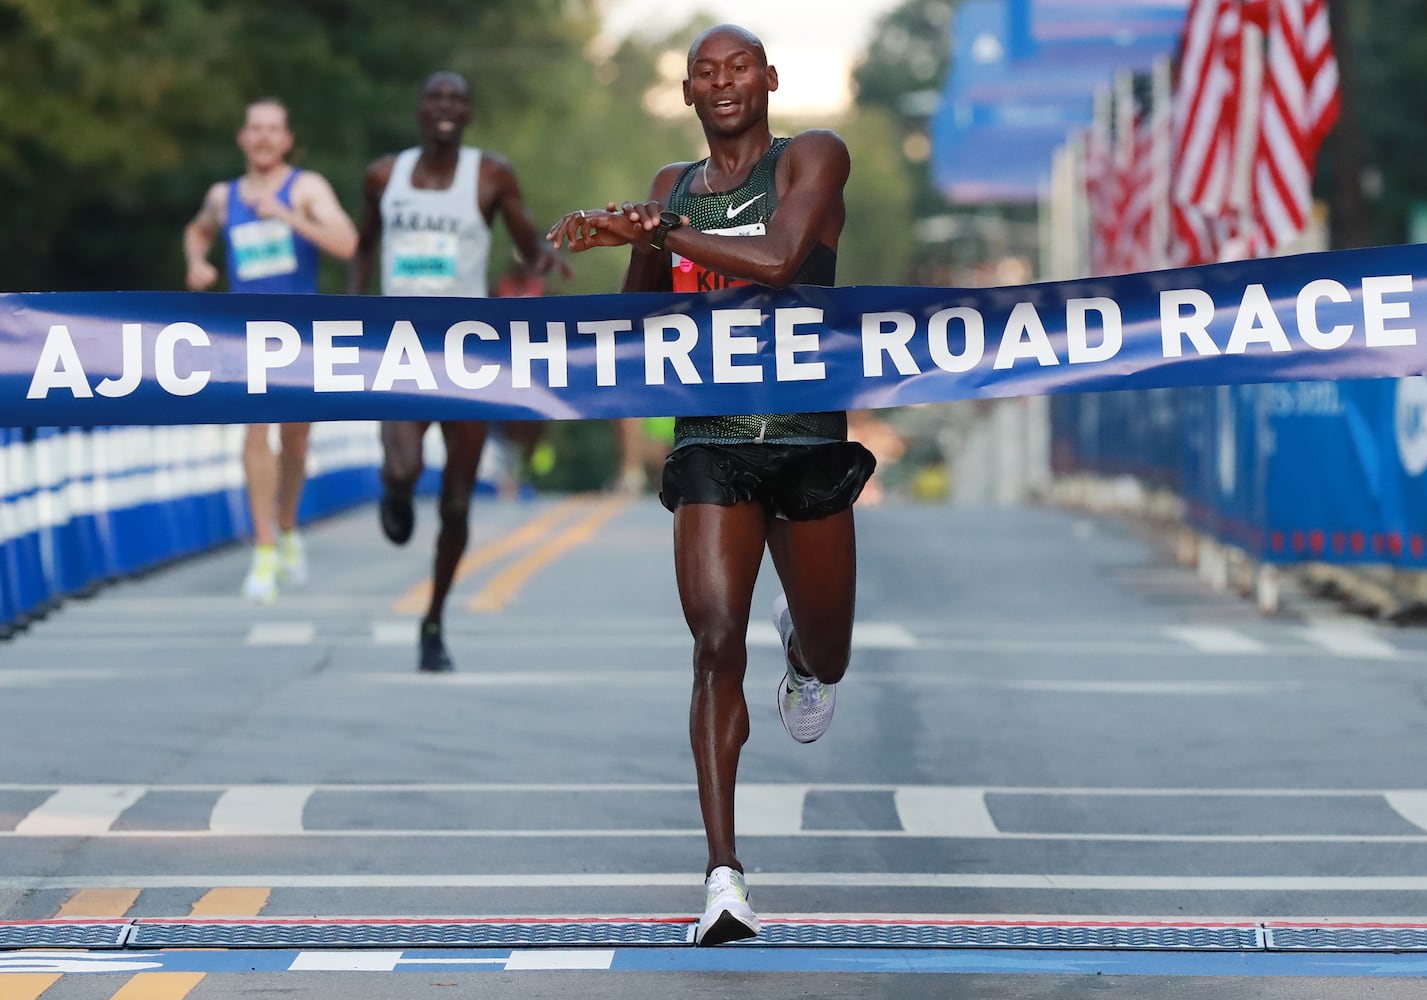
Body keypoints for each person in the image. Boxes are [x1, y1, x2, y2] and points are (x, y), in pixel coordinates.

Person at [546, 24, 875, 947]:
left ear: (767, 80)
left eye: (738, 69)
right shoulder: (670, 187)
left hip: (805, 435)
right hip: (710, 439)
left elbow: (775, 261)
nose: (723, 83)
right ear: (686, 93)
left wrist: (665, 227)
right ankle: (722, 879)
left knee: (832, 649)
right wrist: (639, 238)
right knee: (712, 638)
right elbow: (638, 311)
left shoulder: (813, 155)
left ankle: (803, 655)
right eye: (705, 72)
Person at [348, 70, 567, 673]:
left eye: (458, 100)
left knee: (454, 505)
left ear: (468, 114)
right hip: (398, 345)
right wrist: (351, 310)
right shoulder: (384, 176)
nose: (446, 107)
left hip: (467, 353)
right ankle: (394, 486)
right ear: (420, 110)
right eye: (436, 98)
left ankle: (434, 620)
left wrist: (542, 255)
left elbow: (523, 243)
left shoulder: (491, 174)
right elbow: (364, 247)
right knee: (405, 465)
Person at [183, 98, 358, 603]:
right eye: (254, 129)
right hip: (246, 333)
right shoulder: (224, 195)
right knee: (256, 431)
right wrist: (198, 262)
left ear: (286, 139)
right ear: (242, 137)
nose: (262, 138)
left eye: (272, 130)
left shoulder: (306, 187)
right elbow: (197, 230)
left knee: (296, 440)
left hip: (302, 332)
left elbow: (348, 243)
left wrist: (289, 216)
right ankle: (263, 550)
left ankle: (285, 529)